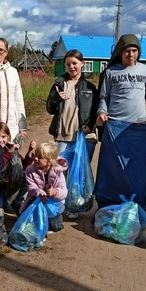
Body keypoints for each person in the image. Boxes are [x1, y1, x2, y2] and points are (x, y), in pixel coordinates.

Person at [46, 49, 98, 219]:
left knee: (78, 173)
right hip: (62, 134)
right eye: (68, 64)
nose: (71, 67)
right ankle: (59, 203)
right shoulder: (59, 84)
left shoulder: (89, 87)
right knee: (59, 172)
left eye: (75, 63)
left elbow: (95, 110)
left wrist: (90, 125)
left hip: (83, 136)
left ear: (82, 64)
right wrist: (56, 98)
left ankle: (74, 205)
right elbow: (50, 109)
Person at [96, 34, 146, 127]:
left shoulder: (145, 70)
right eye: (127, 51)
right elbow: (104, 96)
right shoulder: (110, 72)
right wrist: (102, 112)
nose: (131, 54)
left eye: (134, 50)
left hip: (139, 122)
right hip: (115, 122)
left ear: (139, 51)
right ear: (120, 52)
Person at [20, 141, 68, 233]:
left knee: (55, 226)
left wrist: (55, 192)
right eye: (36, 155)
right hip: (36, 200)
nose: (36, 158)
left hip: (52, 204)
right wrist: (38, 192)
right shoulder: (30, 170)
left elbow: (64, 192)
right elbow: (31, 187)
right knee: (27, 220)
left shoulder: (58, 172)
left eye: (40, 157)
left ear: (49, 161)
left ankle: (54, 219)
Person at [0, 122, 35, 213]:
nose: (0, 140)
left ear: (8, 137)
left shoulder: (10, 148)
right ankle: (5, 201)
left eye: (3, 137)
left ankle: (17, 201)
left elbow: (23, 166)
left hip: (10, 185)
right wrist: (9, 152)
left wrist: (30, 151)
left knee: (29, 174)